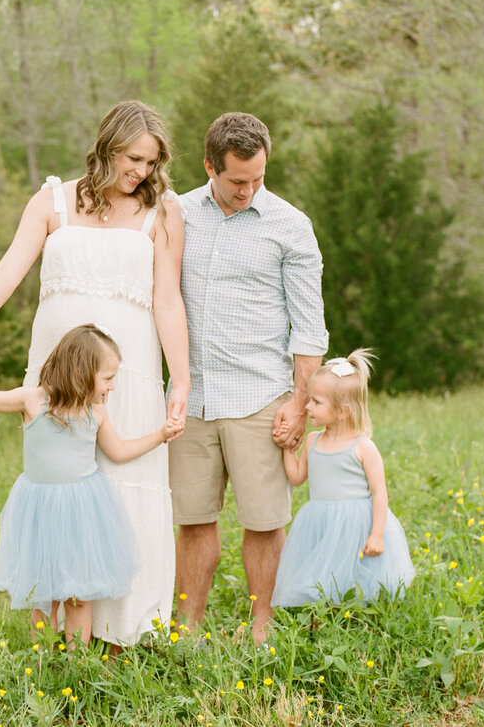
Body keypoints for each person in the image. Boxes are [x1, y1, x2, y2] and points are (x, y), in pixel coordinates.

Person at [0, 101, 188, 647]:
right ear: (108, 146)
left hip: (125, 375)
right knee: (63, 487)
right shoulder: (52, 201)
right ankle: (56, 632)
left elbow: (168, 301)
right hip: (56, 371)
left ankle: (123, 632)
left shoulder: (164, 212)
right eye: (134, 158)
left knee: (125, 479)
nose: (142, 173)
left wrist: (181, 379)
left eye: (151, 163)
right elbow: (4, 275)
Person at [0, 325, 183, 645]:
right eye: (108, 378)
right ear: (82, 373)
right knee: (44, 596)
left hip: (83, 510)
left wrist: (161, 436)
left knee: (80, 595)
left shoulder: (96, 413)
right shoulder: (33, 401)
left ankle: (77, 664)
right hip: (40, 509)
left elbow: (119, 451)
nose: (112, 387)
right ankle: (41, 662)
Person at [170, 111, 328, 643]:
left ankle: (263, 627)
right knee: (192, 520)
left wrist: (300, 403)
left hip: (261, 395)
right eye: (238, 180)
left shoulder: (290, 226)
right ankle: (187, 627)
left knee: (264, 523)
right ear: (210, 166)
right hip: (189, 398)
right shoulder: (176, 214)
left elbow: (309, 330)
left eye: (258, 179)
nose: (248, 190)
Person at [271, 350, 415, 607]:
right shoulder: (312, 441)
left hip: (356, 523)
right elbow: (296, 477)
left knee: (355, 573)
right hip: (319, 521)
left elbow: (379, 492)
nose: (307, 407)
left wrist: (377, 535)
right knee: (322, 570)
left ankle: (357, 616)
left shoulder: (363, 447)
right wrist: (286, 449)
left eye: (316, 402)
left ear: (342, 411)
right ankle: (321, 615)